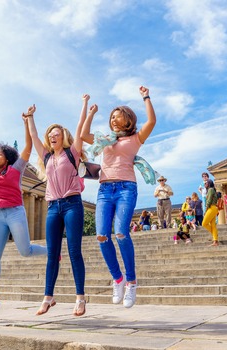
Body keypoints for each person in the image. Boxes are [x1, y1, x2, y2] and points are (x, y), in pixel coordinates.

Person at [81, 85, 156, 309]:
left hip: (126, 188)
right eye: (112, 117)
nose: (114, 120)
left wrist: (146, 97)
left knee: (121, 232)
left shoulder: (135, 138)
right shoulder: (105, 139)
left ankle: (132, 281)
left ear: (128, 120)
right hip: (104, 190)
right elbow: (84, 135)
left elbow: (151, 122)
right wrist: (90, 113)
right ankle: (118, 279)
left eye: (118, 116)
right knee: (102, 236)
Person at [0, 117, 47, 324]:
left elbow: (29, 146)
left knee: (25, 251)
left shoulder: (17, 169)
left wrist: (26, 122)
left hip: (15, 212)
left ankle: (51, 252)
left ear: (8, 157)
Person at [23, 96, 88, 317]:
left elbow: (79, 129)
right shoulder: (47, 156)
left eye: (56, 134)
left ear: (63, 138)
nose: (52, 136)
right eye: (50, 135)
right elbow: (33, 136)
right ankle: (48, 297)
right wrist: (31, 117)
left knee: (74, 251)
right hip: (53, 207)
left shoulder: (73, 153)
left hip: (72, 205)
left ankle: (80, 298)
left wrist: (84, 105)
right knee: (53, 254)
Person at [202, 179, 219, 246]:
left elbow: (209, 200)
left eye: (206, 183)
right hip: (214, 208)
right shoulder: (212, 190)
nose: (205, 184)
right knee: (213, 225)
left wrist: (206, 209)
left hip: (211, 208)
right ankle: (215, 240)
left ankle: (215, 235)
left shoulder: (210, 190)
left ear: (209, 183)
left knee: (204, 223)